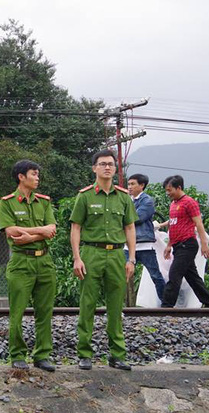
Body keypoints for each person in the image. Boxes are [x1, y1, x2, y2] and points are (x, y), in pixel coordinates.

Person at [70, 149, 137, 371]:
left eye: (110, 164)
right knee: (87, 304)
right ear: (94, 168)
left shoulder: (124, 197)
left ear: (116, 168)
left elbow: (129, 227)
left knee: (116, 306)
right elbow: (76, 228)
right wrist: (77, 258)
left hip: (117, 255)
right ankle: (84, 354)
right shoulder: (85, 196)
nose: (107, 167)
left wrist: (132, 259)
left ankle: (117, 355)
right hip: (91, 253)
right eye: (102, 164)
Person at [0, 160, 57, 372]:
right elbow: (11, 232)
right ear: (21, 176)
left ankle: (42, 355)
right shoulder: (7, 203)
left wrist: (30, 234)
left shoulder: (44, 202)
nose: (37, 177)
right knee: (17, 312)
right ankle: (17, 355)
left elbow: (51, 229)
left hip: (45, 261)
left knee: (45, 311)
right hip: (21, 262)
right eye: (34, 173)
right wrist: (39, 232)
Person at [159, 175, 209, 308]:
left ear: (179, 187)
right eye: (166, 191)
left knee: (174, 275)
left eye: (170, 190)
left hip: (187, 244)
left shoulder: (189, 202)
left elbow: (199, 223)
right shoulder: (173, 204)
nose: (168, 193)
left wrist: (204, 244)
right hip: (177, 246)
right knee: (193, 278)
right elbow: (173, 225)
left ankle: (166, 307)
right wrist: (169, 245)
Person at [126, 174, 166, 302]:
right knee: (122, 275)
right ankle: (124, 305)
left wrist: (123, 217)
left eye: (133, 184)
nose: (130, 187)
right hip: (127, 245)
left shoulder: (147, 201)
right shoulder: (127, 200)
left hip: (144, 244)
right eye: (129, 184)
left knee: (155, 275)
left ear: (142, 185)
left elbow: (136, 218)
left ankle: (166, 304)